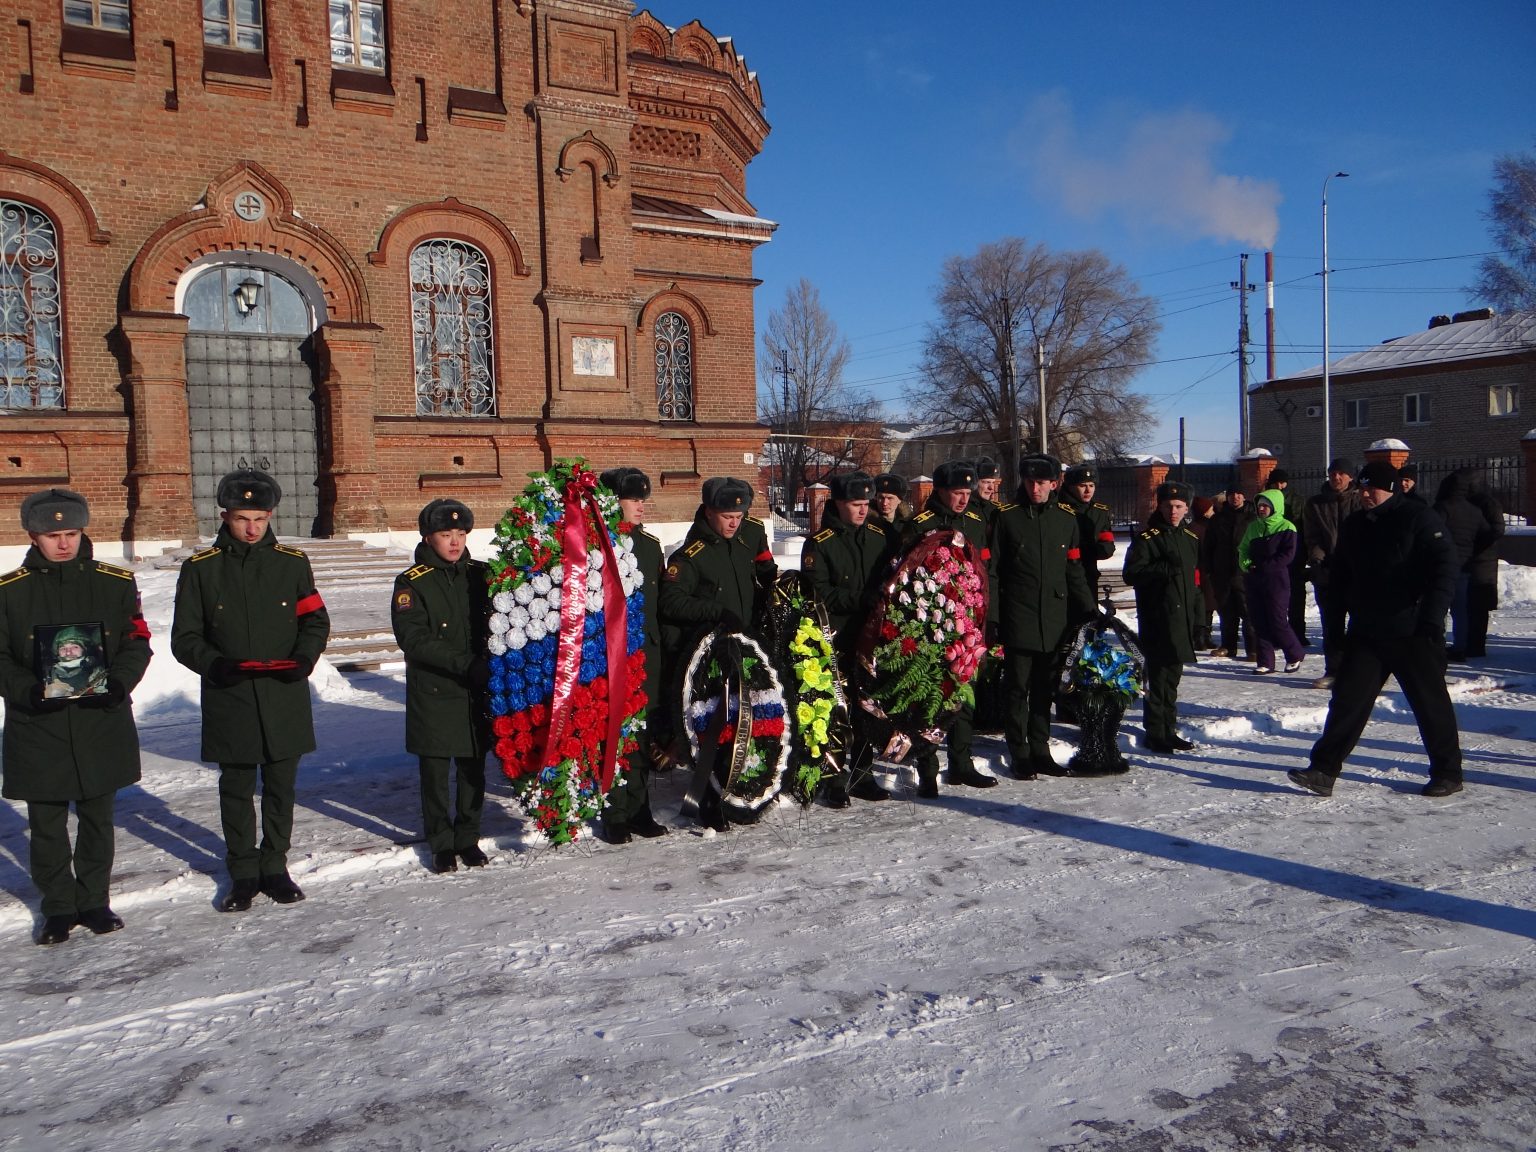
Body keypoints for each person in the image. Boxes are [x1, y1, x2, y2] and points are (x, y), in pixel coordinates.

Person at [171, 469, 331, 912]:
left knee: (281, 786)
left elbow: (315, 619)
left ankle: (275, 866)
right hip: (231, 696)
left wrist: (304, 659)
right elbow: (184, 637)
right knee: (236, 789)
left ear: (270, 516)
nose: (252, 528)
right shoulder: (201, 570)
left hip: (283, 694)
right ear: (225, 516)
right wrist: (215, 665)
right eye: (243, 518)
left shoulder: (291, 563)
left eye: (260, 518)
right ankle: (242, 872)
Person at [0, 489, 152, 945]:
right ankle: (57, 907)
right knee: (46, 825)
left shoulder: (114, 583)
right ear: (33, 536)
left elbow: (136, 641)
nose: (63, 544)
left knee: (97, 818)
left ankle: (94, 901)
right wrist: (26, 691)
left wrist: (120, 683)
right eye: (52, 535)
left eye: (71, 533)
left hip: (98, 720)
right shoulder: (9, 593)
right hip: (38, 724)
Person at [1289, 461, 1463, 798]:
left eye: (1374, 488)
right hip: (1367, 630)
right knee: (1347, 702)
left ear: (1392, 488)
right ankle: (1324, 770)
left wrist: (1432, 617)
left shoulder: (1417, 518)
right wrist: (1336, 625)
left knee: (1430, 703)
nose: (1366, 494)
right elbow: (1341, 576)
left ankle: (1448, 772)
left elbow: (1445, 567)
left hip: (1411, 629)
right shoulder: (1355, 525)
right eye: (1363, 488)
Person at [659, 476, 773, 828]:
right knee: (713, 730)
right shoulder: (690, 556)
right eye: (726, 516)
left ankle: (740, 792)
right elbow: (671, 601)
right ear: (708, 512)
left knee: (746, 725)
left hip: (745, 647)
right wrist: (715, 611)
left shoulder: (746, 537)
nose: (734, 522)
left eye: (739, 515)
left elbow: (764, 570)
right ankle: (710, 802)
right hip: (709, 655)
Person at [391, 499, 492, 873]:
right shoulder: (411, 582)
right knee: (434, 775)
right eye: (446, 535)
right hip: (434, 691)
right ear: (428, 537)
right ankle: (440, 842)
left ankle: (468, 837)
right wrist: (466, 663)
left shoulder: (481, 574)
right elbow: (414, 638)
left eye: (461, 534)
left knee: (472, 770)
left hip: (474, 691)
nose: (455, 542)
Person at [898, 460, 998, 796]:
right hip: (930, 623)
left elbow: (984, 570)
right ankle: (927, 768)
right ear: (940, 491)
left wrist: (985, 614)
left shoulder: (974, 521)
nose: (963, 499)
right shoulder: (920, 524)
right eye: (957, 493)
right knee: (930, 697)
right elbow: (905, 575)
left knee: (963, 695)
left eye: (967, 493)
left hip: (966, 622)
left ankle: (962, 762)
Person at [992, 454, 1095, 778]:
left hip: (1054, 619)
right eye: (1029, 482)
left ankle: (1040, 749)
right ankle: (1019, 752)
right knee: (1017, 688)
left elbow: (1074, 570)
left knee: (1043, 690)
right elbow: (992, 572)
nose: (1035, 488)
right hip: (1018, 617)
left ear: (1054, 484)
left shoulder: (1066, 519)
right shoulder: (1007, 518)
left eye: (1041, 483)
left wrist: (1090, 609)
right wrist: (993, 618)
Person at [801, 471, 895, 805]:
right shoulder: (820, 543)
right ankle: (834, 779)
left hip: (871, 638)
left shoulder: (877, 536)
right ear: (839, 504)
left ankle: (862, 773)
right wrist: (861, 599)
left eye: (865, 504)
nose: (861, 510)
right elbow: (818, 593)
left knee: (866, 708)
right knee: (835, 711)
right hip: (835, 637)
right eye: (855, 504)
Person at [596, 467, 671, 843]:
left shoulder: (650, 545)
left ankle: (640, 809)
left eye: (643, 499)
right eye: (633, 500)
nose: (641, 506)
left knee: (642, 736)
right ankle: (614, 813)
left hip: (649, 655)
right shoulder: (597, 545)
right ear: (612, 502)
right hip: (612, 657)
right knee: (615, 736)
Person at [1123, 482, 1202, 754]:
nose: (1173, 511)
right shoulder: (1147, 539)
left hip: (1182, 620)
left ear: (1187, 508)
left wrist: (1199, 618)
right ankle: (1155, 732)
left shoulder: (1189, 539)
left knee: (1173, 680)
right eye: (1169, 506)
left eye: (1179, 507)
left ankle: (1169, 729)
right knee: (1157, 680)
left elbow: (1195, 582)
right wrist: (1163, 567)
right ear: (1160, 506)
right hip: (1157, 618)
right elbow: (1132, 574)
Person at [1301, 458, 1362, 689]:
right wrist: (1317, 558)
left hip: (1357, 573)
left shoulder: (1360, 500)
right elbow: (1312, 536)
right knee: (1332, 625)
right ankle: (1334, 671)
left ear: (1350, 477)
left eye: (1341, 474)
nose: (1336, 478)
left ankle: (1359, 671)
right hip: (1328, 573)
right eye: (1332, 473)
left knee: (1360, 625)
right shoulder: (1316, 504)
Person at [1434, 468, 1504, 662]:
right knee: (1462, 610)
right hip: (1467, 563)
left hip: (1458, 563)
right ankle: (1462, 646)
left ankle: (1441, 645)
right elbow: (1487, 530)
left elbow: (1433, 530)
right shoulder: (1474, 509)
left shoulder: (1445, 507)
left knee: (1443, 607)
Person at [1238, 489, 1305, 675]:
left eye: (1266, 506)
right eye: (1260, 506)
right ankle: (1266, 661)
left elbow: (1288, 555)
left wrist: (1266, 566)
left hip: (1276, 580)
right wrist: (1246, 565)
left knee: (1277, 619)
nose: (1262, 509)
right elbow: (1243, 549)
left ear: (1275, 507)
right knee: (1258, 620)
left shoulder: (1287, 527)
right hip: (1254, 580)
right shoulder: (1253, 527)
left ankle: (1294, 654)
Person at [1202, 486, 1255, 661]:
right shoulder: (1217, 519)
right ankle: (1228, 645)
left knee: (1248, 612)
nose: (1236, 497)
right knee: (1226, 611)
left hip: (1245, 573)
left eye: (1239, 494)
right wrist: (1209, 569)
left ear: (1244, 496)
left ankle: (1253, 649)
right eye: (1232, 495)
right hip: (1222, 572)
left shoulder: (1252, 518)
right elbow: (1208, 546)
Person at [1462, 471, 1505, 659]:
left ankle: (1476, 645)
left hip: (1482, 562)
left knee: (1478, 606)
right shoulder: (1469, 502)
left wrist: (1476, 545)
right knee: (1469, 605)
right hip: (1475, 560)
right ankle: (1470, 643)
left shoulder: (1487, 503)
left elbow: (1497, 530)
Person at [1059, 464, 1117, 602]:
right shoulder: (1057, 509)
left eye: (1091, 485)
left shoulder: (1099, 512)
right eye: (1082, 485)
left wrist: (1091, 550)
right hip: (1061, 577)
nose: (1088, 490)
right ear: (1070, 486)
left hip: (1088, 574)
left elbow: (1107, 544)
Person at [1269, 468, 1311, 645]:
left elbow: (1303, 527)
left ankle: (1298, 632)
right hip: (1272, 553)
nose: (1280, 486)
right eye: (1276, 482)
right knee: (1274, 596)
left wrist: (1304, 552)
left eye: (1282, 482)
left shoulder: (1298, 500)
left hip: (1295, 553)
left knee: (1296, 595)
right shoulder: (1265, 499)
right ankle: (1277, 633)